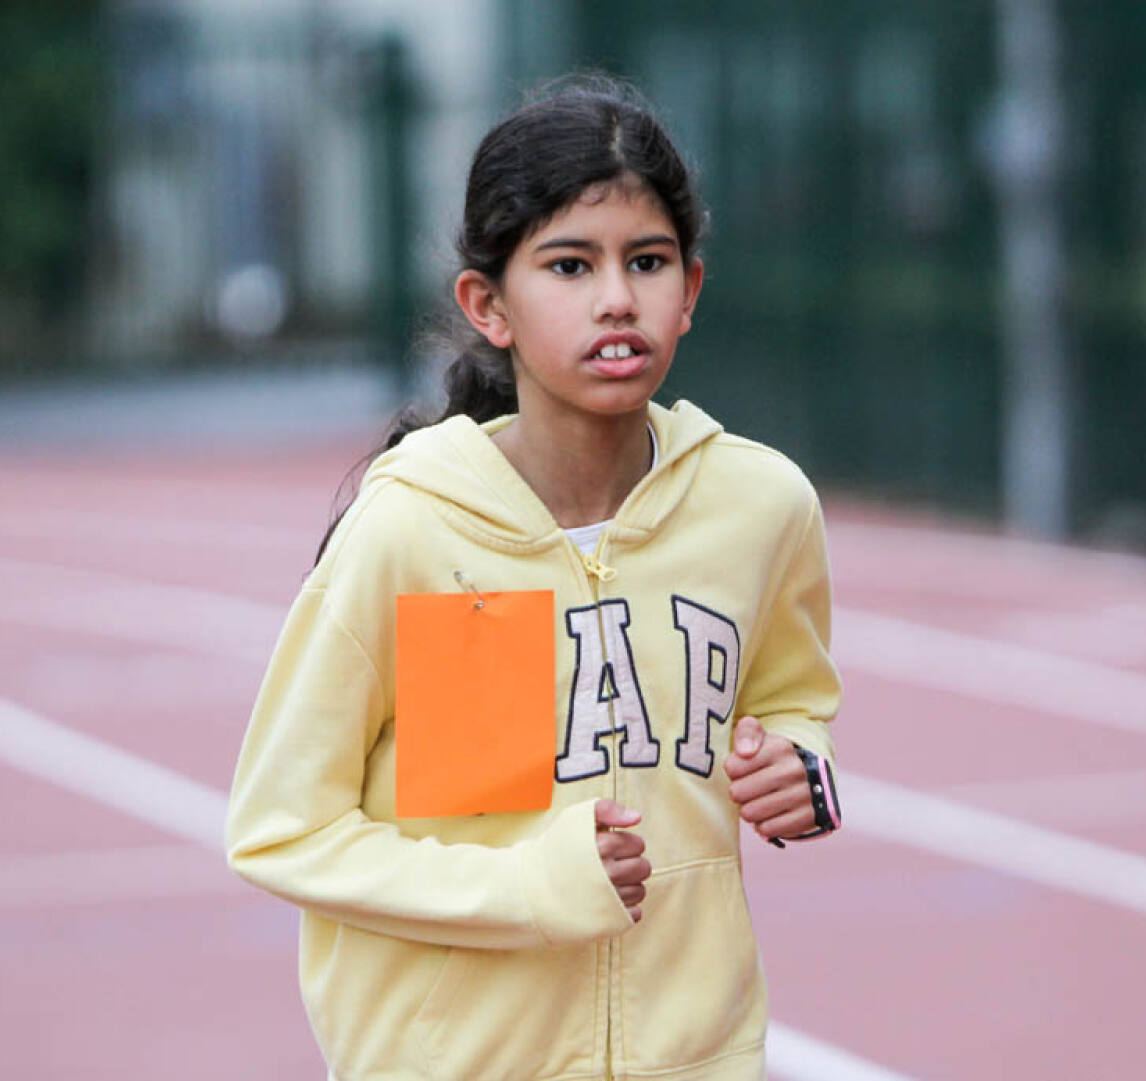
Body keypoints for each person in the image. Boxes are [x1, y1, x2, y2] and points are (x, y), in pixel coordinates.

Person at [226, 74, 842, 1081]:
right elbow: (281, 828)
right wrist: (527, 887)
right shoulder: (412, 531)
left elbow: (789, 694)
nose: (616, 297)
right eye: (568, 264)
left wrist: (800, 764)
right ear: (489, 305)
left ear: (689, 291)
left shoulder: (761, 507)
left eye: (647, 261)